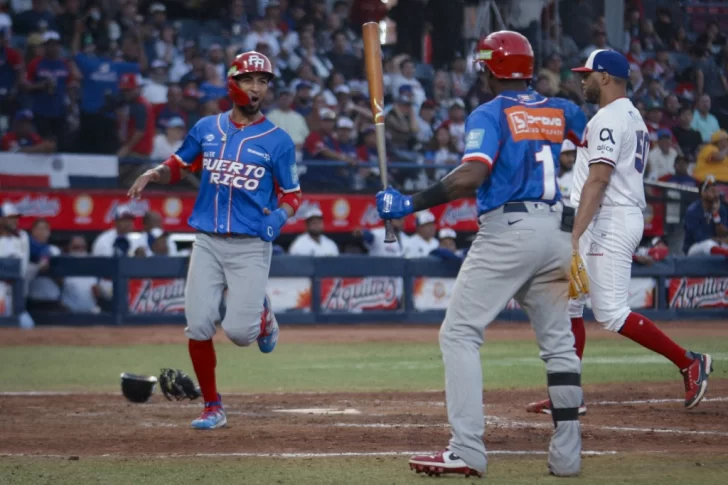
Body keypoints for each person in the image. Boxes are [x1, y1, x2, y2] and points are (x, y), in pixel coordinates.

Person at [377, 32, 586, 478]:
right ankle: (568, 458)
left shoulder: (489, 112)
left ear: (489, 70)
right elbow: (601, 149)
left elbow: (471, 175)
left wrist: (408, 203)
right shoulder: (562, 108)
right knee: (559, 344)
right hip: (559, 230)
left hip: (510, 230)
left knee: (459, 333)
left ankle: (467, 448)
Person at [527, 50, 712, 417]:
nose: (582, 80)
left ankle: (689, 362)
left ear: (606, 77)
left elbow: (599, 180)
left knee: (611, 313)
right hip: (604, 216)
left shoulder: (609, 119)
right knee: (570, 307)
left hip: (607, 218)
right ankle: (568, 393)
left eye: (588, 74)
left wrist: (574, 234)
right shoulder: (631, 115)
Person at [127, 51, 301, 430]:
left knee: (240, 334)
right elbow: (179, 163)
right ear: (232, 82)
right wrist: (154, 174)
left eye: (263, 81)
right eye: (249, 79)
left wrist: (279, 217)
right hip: (206, 240)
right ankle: (212, 406)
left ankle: (263, 317)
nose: (256, 88)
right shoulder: (207, 128)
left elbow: (292, 195)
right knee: (198, 325)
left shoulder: (278, 140)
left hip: (251, 244)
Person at [683, 176, 728, 258]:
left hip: (716, 245)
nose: (716, 195)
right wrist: (720, 240)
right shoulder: (692, 211)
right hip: (694, 248)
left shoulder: (721, 209)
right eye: (713, 191)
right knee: (708, 244)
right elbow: (700, 238)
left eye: (717, 191)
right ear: (703, 193)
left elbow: (723, 234)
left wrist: (716, 215)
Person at [558, 139, 577, 206]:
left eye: (573, 155)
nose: (571, 159)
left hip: (571, 214)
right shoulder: (549, 172)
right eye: (567, 155)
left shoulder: (578, 174)